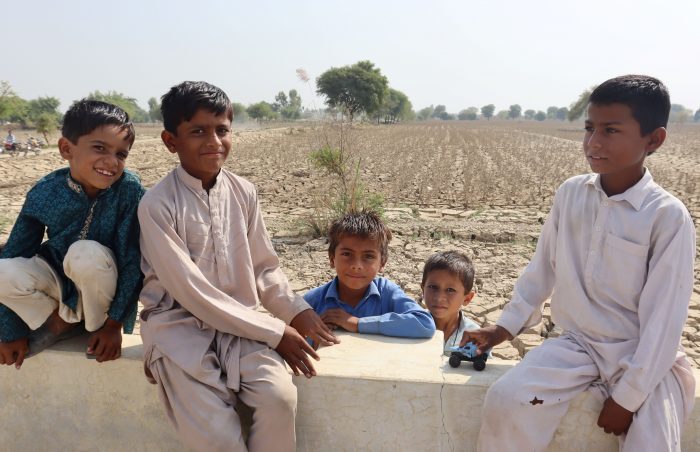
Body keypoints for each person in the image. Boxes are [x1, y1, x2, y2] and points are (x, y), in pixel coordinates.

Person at [465, 75, 696, 452]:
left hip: (642, 355)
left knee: (653, 444)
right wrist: (503, 329)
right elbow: (542, 270)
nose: (593, 142)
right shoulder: (572, 194)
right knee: (508, 401)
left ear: (653, 139)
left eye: (610, 130)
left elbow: (664, 320)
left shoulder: (667, 217)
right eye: (589, 128)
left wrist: (628, 398)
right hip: (576, 346)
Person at [137, 81, 338, 452]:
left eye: (222, 129)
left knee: (280, 399)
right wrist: (275, 332)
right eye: (197, 131)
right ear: (170, 141)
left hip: (242, 329)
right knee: (216, 436)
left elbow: (263, 268)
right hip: (180, 330)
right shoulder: (157, 204)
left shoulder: (244, 192)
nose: (213, 141)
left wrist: (297, 311)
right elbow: (191, 292)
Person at [0, 100, 144, 367]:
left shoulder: (129, 190)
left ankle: (93, 323)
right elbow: (16, 251)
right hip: (58, 277)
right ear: (67, 148)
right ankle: (62, 320)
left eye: (121, 154)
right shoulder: (46, 191)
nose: (111, 162)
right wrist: (10, 333)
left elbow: (132, 259)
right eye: (100, 148)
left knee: (84, 253)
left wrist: (113, 325)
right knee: (2, 271)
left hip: (102, 281)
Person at [304, 210, 435, 339]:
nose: (357, 265)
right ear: (332, 258)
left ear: (382, 263)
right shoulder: (313, 301)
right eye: (347, 254)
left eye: (368, 256)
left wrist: (357, 323)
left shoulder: (387, 293)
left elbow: (425, 323)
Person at [421, 251, 480, 354]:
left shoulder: (475, 336)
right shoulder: (413, 326)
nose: (439, 298)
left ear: (467, 298)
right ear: (423, 290)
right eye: (433, 287)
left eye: (450, 290)